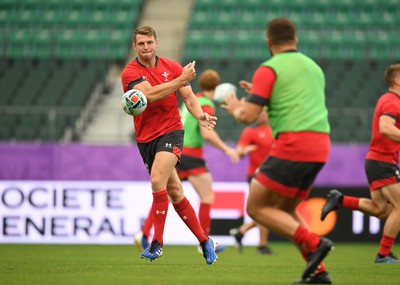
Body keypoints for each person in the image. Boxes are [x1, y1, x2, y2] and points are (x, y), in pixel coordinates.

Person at [222, 18, 334, 284]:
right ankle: (318, 272)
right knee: (286, 209)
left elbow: (248, 115)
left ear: (268, 42)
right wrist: (262, 96)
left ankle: (315, 243)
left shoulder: (269, 68)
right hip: (320, 146)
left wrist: (239, 106)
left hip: (293, 145)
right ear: (295, 39)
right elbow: (294, 102)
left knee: (257, 207)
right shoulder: (314, 67)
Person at [121, 25, 218, 265]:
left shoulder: (172, 67)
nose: (145, 47)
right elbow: (150, 96)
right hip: (145, 138)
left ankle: (157, 242)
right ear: (135, 46)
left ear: (157, 43)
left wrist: (200, 115)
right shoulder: (130, 72)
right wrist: (182, 79)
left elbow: (188, 97)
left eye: (149, 42)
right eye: (141, 43)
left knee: (157, 180)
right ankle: (205, 241)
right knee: (174, 191)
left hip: (172, 131)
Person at [134, 69, 240, 253]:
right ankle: (206, 241)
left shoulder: (193, 99)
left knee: (167, 194)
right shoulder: (206, 104)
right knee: (207, 197)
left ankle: (143, 233)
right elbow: (207, 132)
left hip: (178, 152)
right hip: (193, 155)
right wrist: (227, 150)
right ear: (216, 87)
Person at [321, 63, 400, 264]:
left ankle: (340, 200)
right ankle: (383, 255)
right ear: (397, 80)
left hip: (377, 160)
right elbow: (385, 127)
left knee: (381, 209)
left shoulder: (389, 100)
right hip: (382, 161)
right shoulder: (393, 102)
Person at [229, 111, 274, 255]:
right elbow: (238, 151)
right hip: (256, 175)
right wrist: (244, 150)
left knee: (271, 210)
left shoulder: (277, 129)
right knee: (264, 208)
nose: (261, 115)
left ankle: (241, 231)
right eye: (259, 112)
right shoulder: (251, 131)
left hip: (274, 175)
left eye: (264, 112)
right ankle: (262, 245)